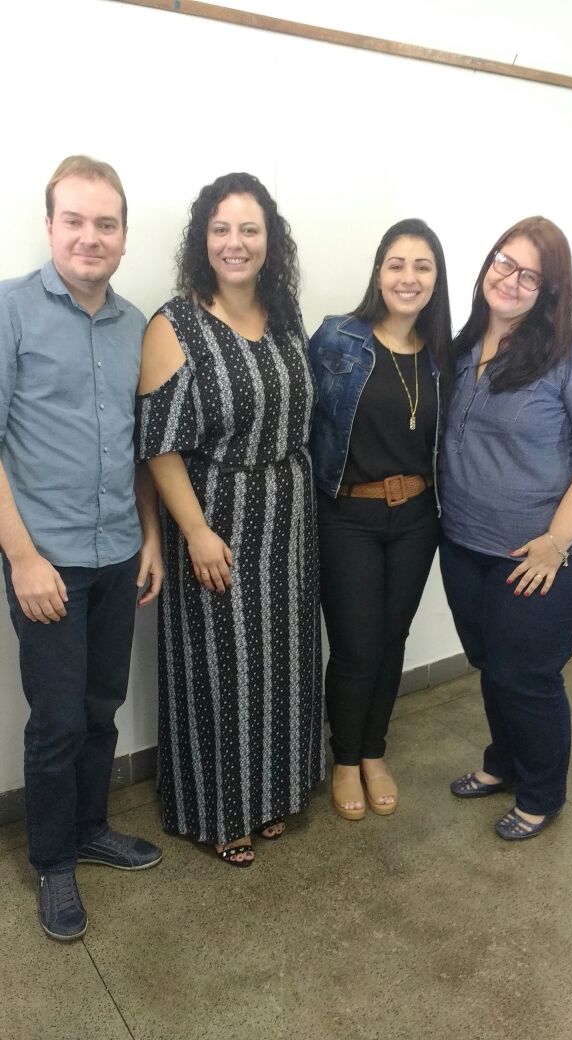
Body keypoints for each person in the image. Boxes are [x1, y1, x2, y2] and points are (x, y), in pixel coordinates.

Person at [136, 172, 323, 867]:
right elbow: (157, 444)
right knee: (220, 670)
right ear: (202, 239)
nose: (235, 242)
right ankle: (219, 811)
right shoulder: (173, 325)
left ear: (270, 240)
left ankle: (273, 794)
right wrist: (194, 531)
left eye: (249, 229)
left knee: (281, 663)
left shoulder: (285, 317)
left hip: (287, 518)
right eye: (221, 229)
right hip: (214, 519)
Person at [0, 156, 164, 941]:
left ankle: (92, 827)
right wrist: (23, 560)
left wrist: (152, 537)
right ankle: (54, 861)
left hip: (119, 554)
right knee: (58, 720)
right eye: (75, 220)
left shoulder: (137, 326)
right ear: (50, 226)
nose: (89, 237)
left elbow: (139, 449)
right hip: (48, 562)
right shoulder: (10, 310)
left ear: (124, 236)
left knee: (101, 708)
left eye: (105, 223)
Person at [440, 216, 572, 841]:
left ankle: (542, 792)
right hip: (464, 543)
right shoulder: (464, 344)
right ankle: (503, 762)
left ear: (549, 290)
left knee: (525, 676)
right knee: (491, 665)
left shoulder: (571, 353)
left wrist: (556, 543)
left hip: (538, 552)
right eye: (505, 262)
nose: (512, 280)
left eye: (531, 275)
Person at [309, 218, 452, 820]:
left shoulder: (445, 355)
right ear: (378, 272)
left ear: (436, 279)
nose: (408, 277)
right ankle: (344, 759)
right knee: (355, 646)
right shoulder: (338, 337)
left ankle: (373, 752)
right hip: (348, 515)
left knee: (392, 640)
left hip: (418, 517)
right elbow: (301, 420)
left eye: (422, 266)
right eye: (397, 264)